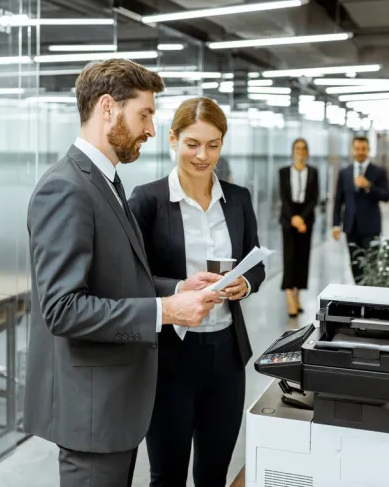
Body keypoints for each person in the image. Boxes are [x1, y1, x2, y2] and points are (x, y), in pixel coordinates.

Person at [24, 59, 224, 487]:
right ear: (108, 108)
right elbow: (63, 309)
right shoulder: (66, 188)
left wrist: (177, 289)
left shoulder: (106, 181)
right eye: (145, 115)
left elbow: (116, 278)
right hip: (92, 414)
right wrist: (165, 311)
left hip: (115, 407)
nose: (152, 130)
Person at [129, 97, 266, 487]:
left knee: (213, 474)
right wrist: (177, 289)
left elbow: (255, 262)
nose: (203, 155)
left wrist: (246, 283)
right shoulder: (147, 200)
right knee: (167, 476)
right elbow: (130, 278)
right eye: (192, 143)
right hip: (171, 357)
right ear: (172, 140)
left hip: (226, 356)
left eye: (213, 145)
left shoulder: (238, 199)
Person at [332, 135, 389, 284]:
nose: (360, 152)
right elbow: (338, 200)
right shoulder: (345, 173)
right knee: (355, 265)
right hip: (351, 227)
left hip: (371, 227)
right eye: (357, 149)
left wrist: (369, 186)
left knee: (371, 266)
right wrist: (335, 224)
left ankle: (369, 299)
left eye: (363, 149)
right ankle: (358, 297)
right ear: (353, 150)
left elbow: (387, 195)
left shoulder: (378, 171)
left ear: (368, 150)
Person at [278, 138, 319, 317]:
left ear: (307, 152)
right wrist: (294, 218)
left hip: (306, 218)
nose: (300, 151)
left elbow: (314, 198)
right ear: (293, 151)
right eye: (297, 148)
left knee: (303, 258)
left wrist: (302, 219)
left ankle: (297, 295)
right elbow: (284, 197)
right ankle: (289, 298)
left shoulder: (314, 172)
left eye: (303, 148)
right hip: (288, 218)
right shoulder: (284, 172)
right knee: (289, 258)